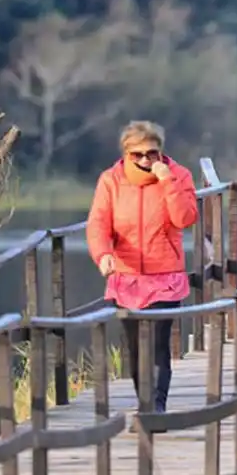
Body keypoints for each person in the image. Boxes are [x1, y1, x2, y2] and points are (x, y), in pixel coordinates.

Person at [87, 121, 198, 414]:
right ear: (126, 153)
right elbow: (98, 223)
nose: (146, 160)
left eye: (152, 153)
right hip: (126, 276)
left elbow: (184, 218)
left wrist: (167, 180)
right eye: (137, 154)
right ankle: (144, 402)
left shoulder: (180, 175)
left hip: (165, 275)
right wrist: (103, 254)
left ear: (161, 152)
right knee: (136, 347)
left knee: (158, 343)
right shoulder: (111, 180)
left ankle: (155, 407)